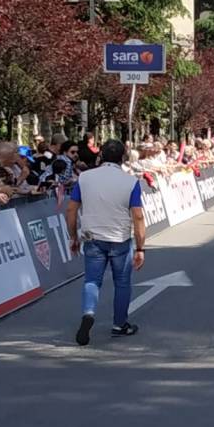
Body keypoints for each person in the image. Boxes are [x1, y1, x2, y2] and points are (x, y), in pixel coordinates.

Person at [66, 139, 146, 345]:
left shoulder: (84, 177)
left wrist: (73, 236)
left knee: (92, 280)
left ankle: (88, 312)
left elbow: (71, 210)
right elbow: (137, 216)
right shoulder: (130, 182)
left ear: (100, 155)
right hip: (119, 237)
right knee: (122, 282)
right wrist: (140, 247)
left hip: (92, 237)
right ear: (123, 157)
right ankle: (120, 324)